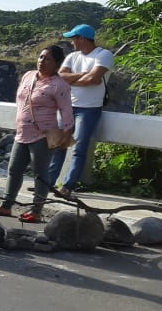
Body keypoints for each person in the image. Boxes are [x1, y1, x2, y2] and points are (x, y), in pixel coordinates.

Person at [0, 45, 74, 223]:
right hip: (22, 132)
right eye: (41, 57)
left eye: (47, 59)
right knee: (14, 169)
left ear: (57, 64)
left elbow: (66, 111)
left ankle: (36, 211)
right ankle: (6, 206)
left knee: (40, 174)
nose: (42, 61)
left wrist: (66, 134)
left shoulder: (59, 85)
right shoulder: (28, 76)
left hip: (42, 135)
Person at [48, 24, 114, 192]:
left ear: (81, 39)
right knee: (58, 145)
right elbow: (60, 77)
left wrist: (74, 79)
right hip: (67, 106)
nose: (72, 43)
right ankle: (48, 183)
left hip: (89, 108)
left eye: (73, 39)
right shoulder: (73, 56)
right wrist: (85, 75)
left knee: (79, 148)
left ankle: (68, 186)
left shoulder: (103, 54)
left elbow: (94, 79)